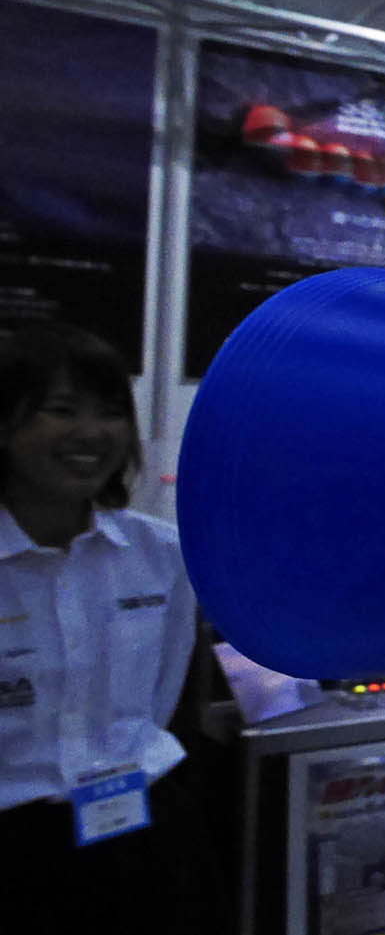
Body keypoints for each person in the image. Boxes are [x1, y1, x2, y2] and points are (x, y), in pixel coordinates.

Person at [0, 322, 220, 931]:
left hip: (145, 833)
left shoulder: (161, 554)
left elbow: (163, 697)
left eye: (110, 412)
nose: (91, 433)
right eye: (61, 410)